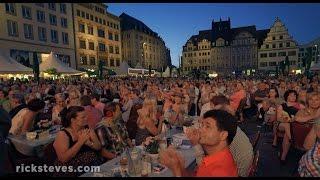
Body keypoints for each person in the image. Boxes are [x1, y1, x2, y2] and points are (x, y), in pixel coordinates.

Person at [159, 110, 238, 177]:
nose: (200, 130)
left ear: (223, 135)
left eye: (207, 126)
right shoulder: (218, 157)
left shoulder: (219, 171)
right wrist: (180, 168)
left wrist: (176, 170)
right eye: (202, 125)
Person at [53, 106, 102, 176]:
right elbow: (63, 158)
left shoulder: (87, 128)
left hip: (91, 164)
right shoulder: (63, 134)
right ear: (73, 120)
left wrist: (89, 143)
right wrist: (81, 142)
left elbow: (98, 147)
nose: (86, 118)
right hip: (70, 170)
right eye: (83, 117)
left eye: (86, 116)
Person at [274, 90, 304, 164]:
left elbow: (307, 113)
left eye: (294, 95)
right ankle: (292, 140)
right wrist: (287, 120)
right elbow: (278, 118)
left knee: (288, 132)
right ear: (287, 96)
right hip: (282, 124)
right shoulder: (282, 105)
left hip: (294, 125)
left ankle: (283, 156)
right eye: (291, 95)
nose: (293, 97)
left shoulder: (300, 105)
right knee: (287, 125)